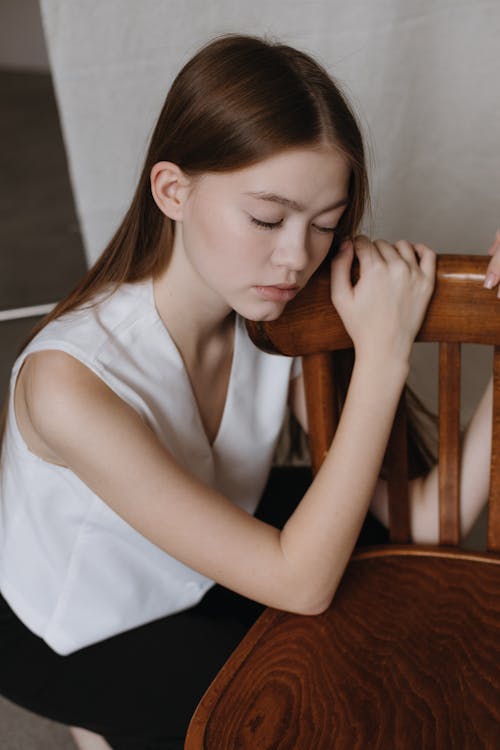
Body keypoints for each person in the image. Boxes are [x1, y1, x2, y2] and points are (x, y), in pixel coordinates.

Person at [0, 34, 498, 750]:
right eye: (267, 219)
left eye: (325, 226)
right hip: (81, 628)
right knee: (319, 718)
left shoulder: (272, 317)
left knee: (390, 627)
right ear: (173, 190)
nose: (296, 257)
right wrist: (382, 357)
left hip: (219, 548)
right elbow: (302, 585)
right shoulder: (68, 385)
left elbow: (420, 520)